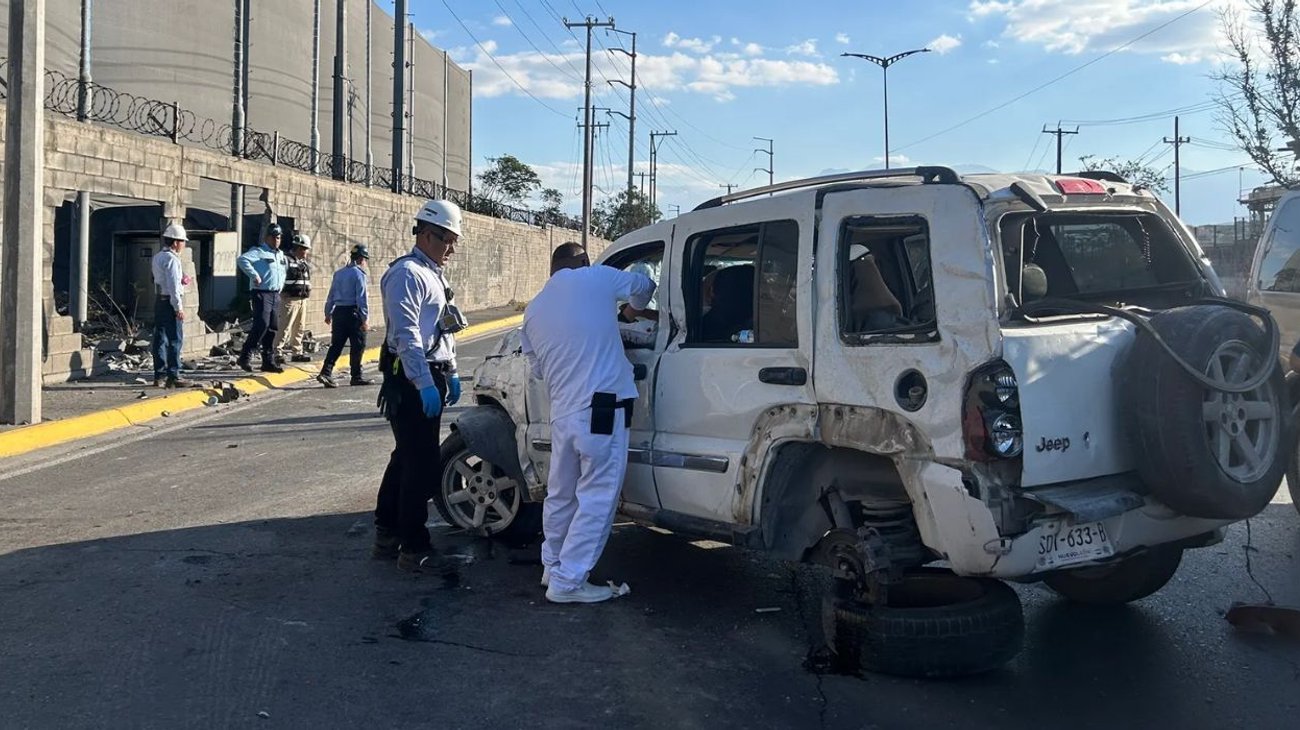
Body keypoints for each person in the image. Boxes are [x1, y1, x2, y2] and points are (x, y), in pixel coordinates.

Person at [521, 242, 655, 604]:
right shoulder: (596, 276)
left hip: (563, 414)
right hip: (602, 410)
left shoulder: (533, 311)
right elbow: (644, 287)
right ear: (582, 262)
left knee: (561, 494)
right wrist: (630, 311)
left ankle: (553, 568)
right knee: (597, 497)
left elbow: (537, 368)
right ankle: (570, 582)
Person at [373, 200, 466, 573]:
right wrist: (424, 382)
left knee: (406, 456)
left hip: (431, 372)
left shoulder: (433, 273)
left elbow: (444, 327)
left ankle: (387, 531)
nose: (452, 249)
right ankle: (413, 546)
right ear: (427, 234)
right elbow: (408, 336)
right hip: (412, 377)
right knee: (421, 463)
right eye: (447, 240)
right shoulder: (407, 274)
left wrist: (452, 370)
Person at [317, 244, 375, 388]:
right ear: (362, 259)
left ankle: (326, 372)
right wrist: (364, 318)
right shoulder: (359, 274)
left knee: (336, 345)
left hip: (339, 312)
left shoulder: (339, 273)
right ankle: (356, 376)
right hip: (353, 313)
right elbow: (361, 298)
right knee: (358, 345)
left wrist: (328, 312)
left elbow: (331, 294)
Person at [235, 223, 288, 373]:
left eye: (278, 237)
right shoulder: (259, 252)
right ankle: (245, 355)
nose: (276, 240)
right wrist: (254, 275)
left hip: (275, 294)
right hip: (262, 292)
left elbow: (282, 272)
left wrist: (280, 287)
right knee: (261, 324)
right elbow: (242, 260)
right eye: (273, 237)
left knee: (272, 327)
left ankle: (268, 360)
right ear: (267, 238)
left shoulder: (280, 255)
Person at [150, 223, 195, 389]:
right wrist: (178, 308)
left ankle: (159, 375)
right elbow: (174, 286)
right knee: (175, 339)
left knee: (159, 338)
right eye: (182, 241)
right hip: (170, 302)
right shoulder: (172, 259)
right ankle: (174, 375)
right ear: (175, 242)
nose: (184, 244)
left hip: (159, 300)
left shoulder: (157, 257)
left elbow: (158, 279)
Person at [274, 232, 314, 364]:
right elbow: (279, 277)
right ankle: (277, 352)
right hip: (290, 299)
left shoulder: (303, 263)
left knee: (299, 327)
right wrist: (282, 292)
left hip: (302, 299)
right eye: (304, 249)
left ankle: (297, 352)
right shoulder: (286, 261)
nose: (306, 252)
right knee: (284, 326)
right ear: (298, 248)